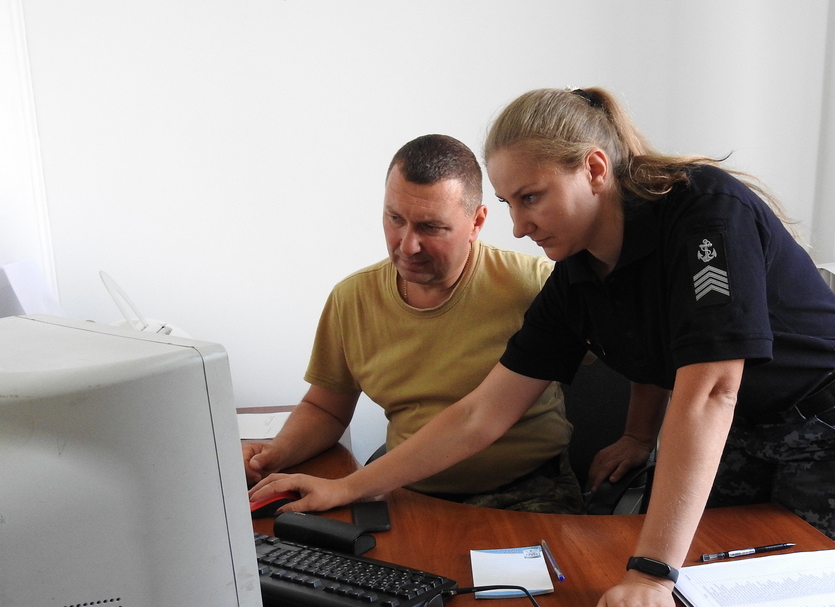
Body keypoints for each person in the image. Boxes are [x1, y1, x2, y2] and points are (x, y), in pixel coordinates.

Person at [249, 89, 835, 607]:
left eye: (531, 198)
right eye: (508, 203)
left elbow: (710, 389)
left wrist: (650, 572)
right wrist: (350, 486)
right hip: (743, 426)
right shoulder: (575, 281)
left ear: (593, 169)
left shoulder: (706, 212)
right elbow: (483, 413)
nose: (518, 226)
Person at [244, 134, 583, 514]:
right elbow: (327, 409)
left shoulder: (536, 286)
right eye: (395, 219)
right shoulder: (352, 299)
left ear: (476, 222)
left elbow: (629, 352)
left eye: (430, 227)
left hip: (529, 490)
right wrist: (275, 454)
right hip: (403, 488)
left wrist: (632, 436)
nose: (407, 245)